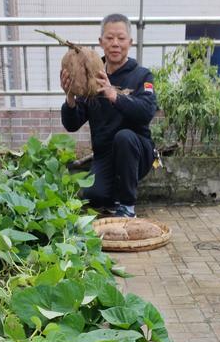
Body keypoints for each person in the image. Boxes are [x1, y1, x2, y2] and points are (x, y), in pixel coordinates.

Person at [60, 13, 157, 219]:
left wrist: (114, 95)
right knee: (93, 196)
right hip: (105, 155)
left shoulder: (142, 76)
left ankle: (127, 206)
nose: (115, 44)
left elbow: (146, 113)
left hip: (137, 151)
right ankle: (117, 193)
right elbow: (72, 124)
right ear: (100, 42)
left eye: (121, 39)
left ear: (130, 43)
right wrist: (70, 97)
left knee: (124, 137)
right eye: (109, 38)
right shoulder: (92, 75)